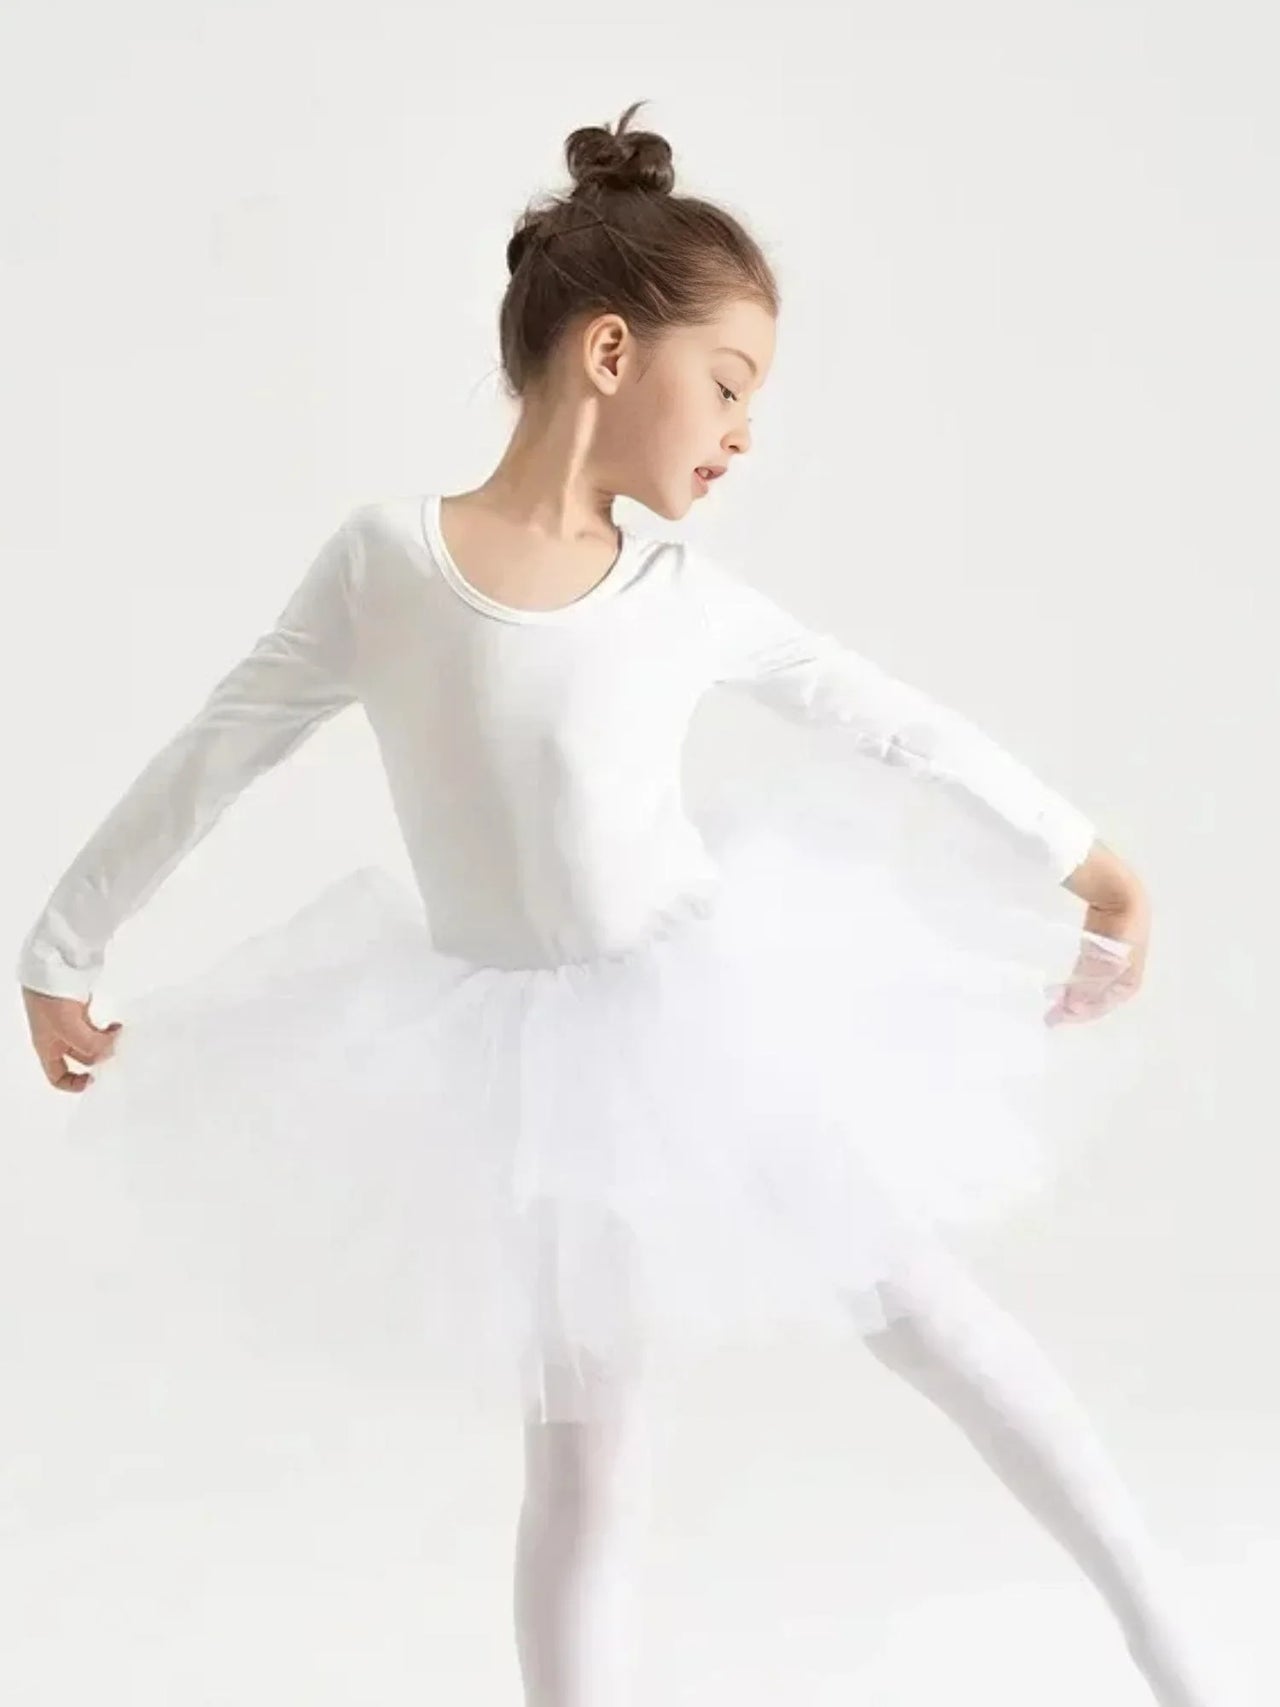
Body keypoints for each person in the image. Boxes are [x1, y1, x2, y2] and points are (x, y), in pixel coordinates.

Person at [17, 101, 1237, 1707]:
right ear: (609, 354)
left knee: (937, 1323)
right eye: (729, 386)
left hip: (705, 1029)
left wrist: (1087, 853)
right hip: (522, 1086)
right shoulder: (386, 565)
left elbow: (885, 714)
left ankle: (1170, 1639)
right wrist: (63, 940)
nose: (743, 434)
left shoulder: (681, 600)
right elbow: (217, 750)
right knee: (588, 1470)